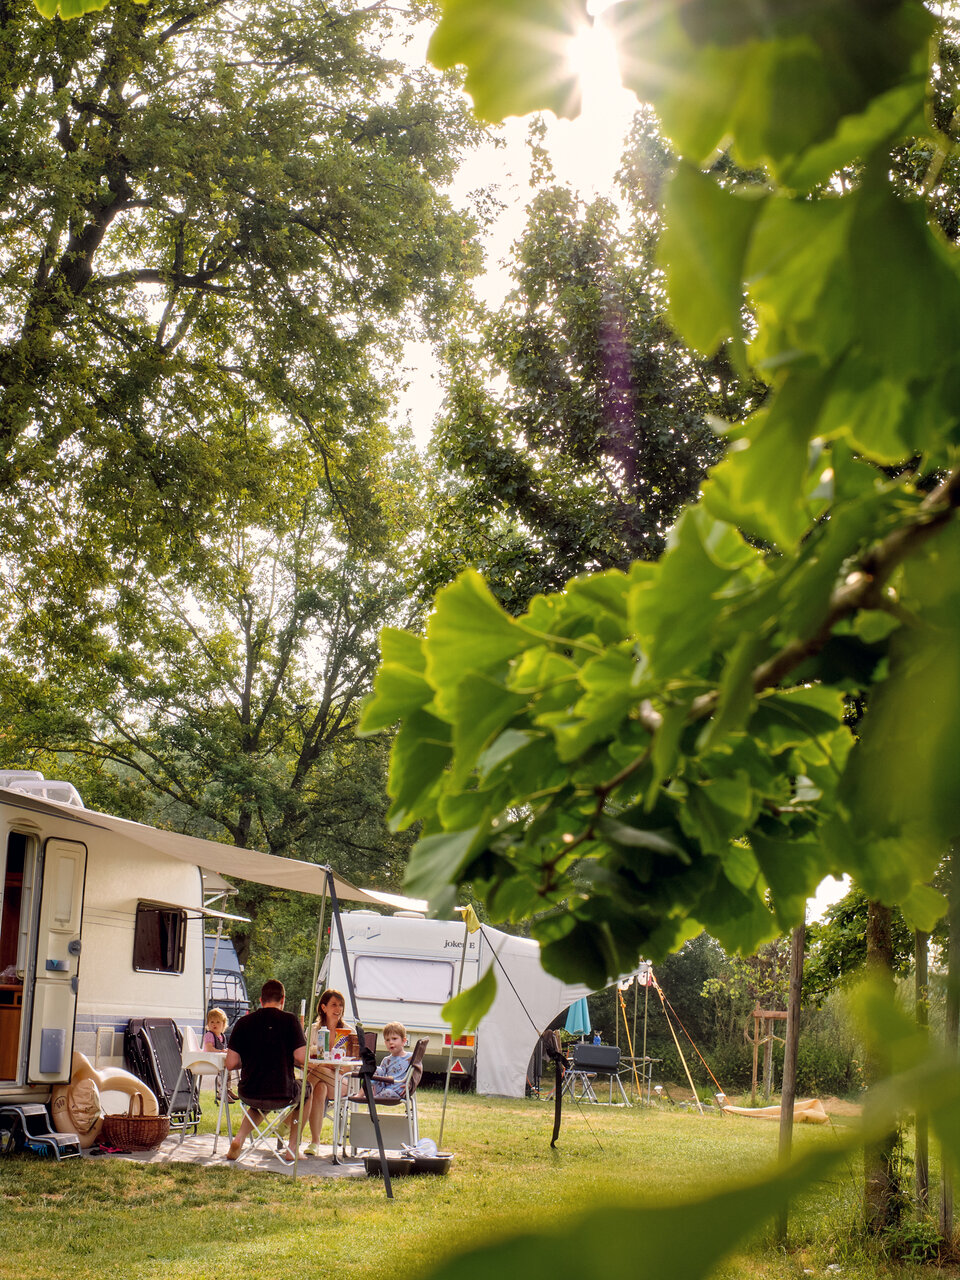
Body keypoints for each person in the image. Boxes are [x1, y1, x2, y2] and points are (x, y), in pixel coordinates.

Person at [225, 979, 306, 1165]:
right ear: (282, 999)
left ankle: (239, 1138)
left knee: (261, 1102)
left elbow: (230, 1063)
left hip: (249, 1091)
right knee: (306, 1089)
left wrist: (250, 1060)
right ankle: (292, 1148)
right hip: (282, 1092)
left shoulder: (243, 1022)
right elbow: (301, 1058)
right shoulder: (290, 1020)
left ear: (261, 1000)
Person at [302, 988, 354, 1156]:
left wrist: (326, 1066)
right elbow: (305, 1060)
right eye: (333, 1005)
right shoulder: (313, 1030)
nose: (338, 1009)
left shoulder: (348, 1032)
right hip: (320, 1080)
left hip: (342, 1081)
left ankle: (289, 1122)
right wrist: (324, 1065)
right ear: (323, 1007)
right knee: (319, 1089)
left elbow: (349, 1067)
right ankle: (315, 1142)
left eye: (340, 1005)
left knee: (318, 1074)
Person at [369, 1021, 411, 1100]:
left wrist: (411, 1084)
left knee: (388, 1092)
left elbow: (416, 1073)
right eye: (387, 1040)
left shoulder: (410, 1057)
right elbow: (379, 1078)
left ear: (403, 1041)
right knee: (377, 1069)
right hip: (384, 1090)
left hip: (399, 1091)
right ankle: (366, 1091)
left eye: (394, 1039)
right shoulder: (386, 1060)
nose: (391, 1042)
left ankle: (371, 1098)